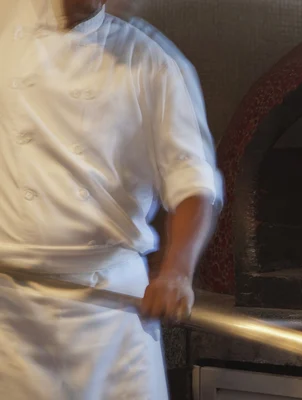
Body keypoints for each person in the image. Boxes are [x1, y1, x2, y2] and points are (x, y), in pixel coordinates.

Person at [0, 0, 223, 399]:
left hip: (109, 310)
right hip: (10, 312)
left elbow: (192, 182)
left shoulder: (153, 61)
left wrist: (176, 271)